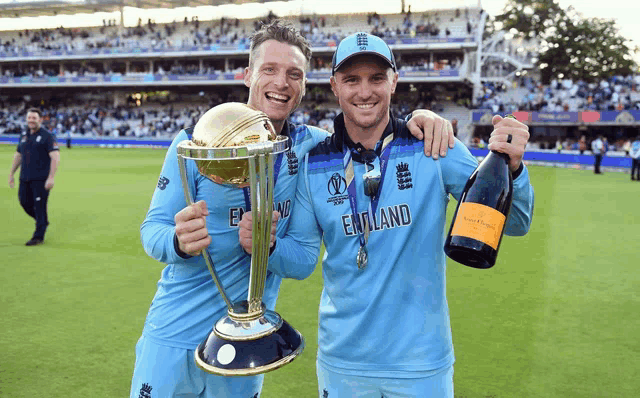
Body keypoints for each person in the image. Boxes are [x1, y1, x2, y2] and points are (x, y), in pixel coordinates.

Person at [131, 21, 455, 398]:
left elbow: (302, 262)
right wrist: (176, 240)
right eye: (269, 70)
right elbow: (151, 230)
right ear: (248, 74)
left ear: (304, 84)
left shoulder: (311, 150)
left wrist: (419, 119)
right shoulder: (197, 145)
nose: (281, 83)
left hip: (248, 342)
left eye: (294, 74)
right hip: (174, 334)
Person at [239, 32, 535, 397]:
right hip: (343, 363)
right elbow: (300, 260)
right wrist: (267, 245)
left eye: (377, 78)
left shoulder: (435, 146)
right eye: (352, 80)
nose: (365, 92)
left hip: (421, 363)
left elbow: (517, 223)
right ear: (334, 86)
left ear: (394, 80)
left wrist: (515, 169)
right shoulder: (315, 163)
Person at [8, 108, 60, 246]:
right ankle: (42, 221)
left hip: (41, 179)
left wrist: (51, 177)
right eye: (29, 118)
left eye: (34, 118)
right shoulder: (24, 135)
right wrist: (11, 173)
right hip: (24, 177)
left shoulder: (47, 136)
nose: (31, 120)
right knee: (24, 202)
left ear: (40, 119)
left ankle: (38, 236)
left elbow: (55, 157)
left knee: (40, 206)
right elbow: (18, 155)